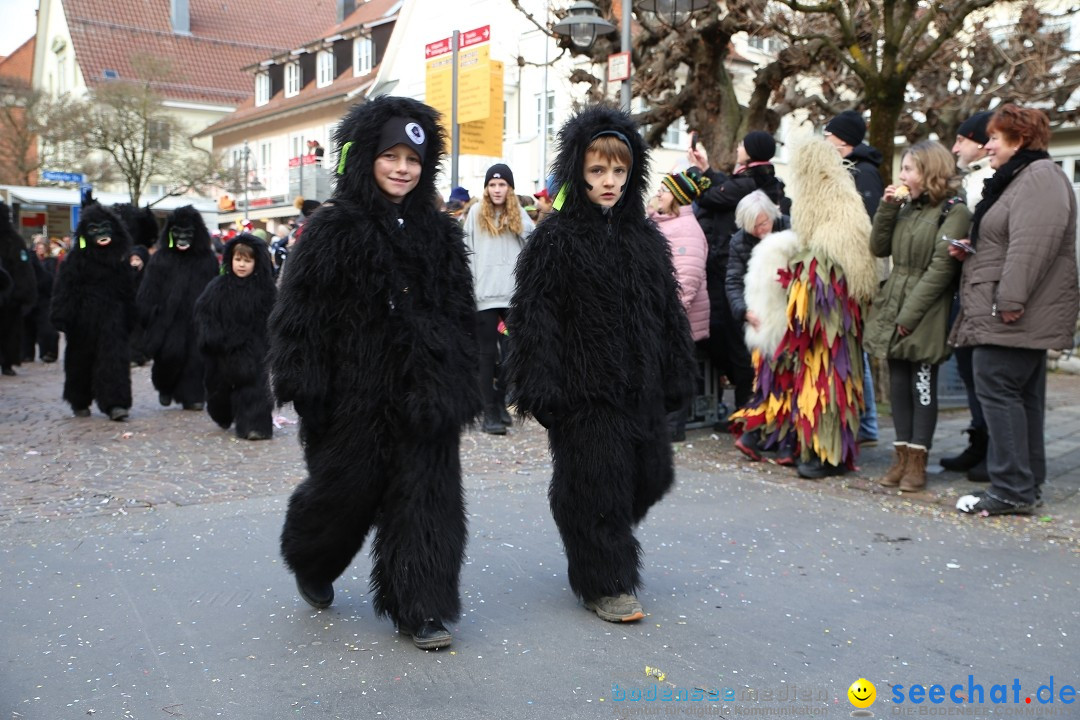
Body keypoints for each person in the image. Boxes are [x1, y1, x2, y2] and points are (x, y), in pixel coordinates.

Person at [269, 96, 480, 650]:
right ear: (364, 157)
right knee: (346, 494)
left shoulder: (440, 232)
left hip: (425, 392)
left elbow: (461, 311)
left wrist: (462, 378)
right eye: (390, 156)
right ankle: (313, 558)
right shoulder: (330, 229)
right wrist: (305, 386)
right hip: (352, 395)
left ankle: (422, 607)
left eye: (413, 158)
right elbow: (299, 313)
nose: (402, 168)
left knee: (427, 499)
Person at [506, 105, 698, 623]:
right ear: (578, 172)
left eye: (618, 170)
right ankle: (605, 581)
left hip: (639, 384)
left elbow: (667, 309)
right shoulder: (555, 239)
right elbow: (534, 316)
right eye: (597, 171)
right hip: (582, 389)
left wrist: (679, 369)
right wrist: (539, 386)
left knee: (647, 477)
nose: (609, 181)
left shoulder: (646, 237)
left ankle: (588, 532)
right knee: (598, 483)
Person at [950, 104, 1078, 516]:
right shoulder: (1023, 178)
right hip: (1007, 307)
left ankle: (1010, 488)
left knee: (999, 389)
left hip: (1012, 311)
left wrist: (1010, 300)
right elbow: (1010, 240)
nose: (987, 146)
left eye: (994, 139)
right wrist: (970, 248)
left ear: (1019, 140)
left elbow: (1031, 247)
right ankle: (1023, 484)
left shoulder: (1039, 179)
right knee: (1019, 396)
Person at [733, 139, 878, 479]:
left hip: (830, 320)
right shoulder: (825, 211)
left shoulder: (837, 216)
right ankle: (815, 449)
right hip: (816, 320)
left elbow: (837, 271)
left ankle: (827, 454)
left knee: (829, 381)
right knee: (818, 382)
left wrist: (803, 284)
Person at [864, 141, 970, 492]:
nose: (902, 175)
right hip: (895, 298)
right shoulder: (907, 207)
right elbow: (879, 247)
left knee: (921, 384)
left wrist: (908, 316)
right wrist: (887, 207)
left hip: (927, 308)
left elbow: (941, 270)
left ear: (930, 171)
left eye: (909, 168)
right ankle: (900, 458)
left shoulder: (954, 211)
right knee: (898, 383)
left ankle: (917, 463)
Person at [688, 131, 788, 416]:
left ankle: (748, 409)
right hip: (735, 270)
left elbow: (710, 198)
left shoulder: (750, 182)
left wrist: (697, 172)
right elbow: (724, 190)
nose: (737, 147)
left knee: (733, 341)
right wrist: (707, 169)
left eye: (742, 144)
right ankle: (749, 407)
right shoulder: (757, 178)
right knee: (734, 340)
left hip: (731, 270)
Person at [824, 109, 884, 447]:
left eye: (829, 136)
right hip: (842, 273)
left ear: (843, 141)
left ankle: (868, 425)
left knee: (854, 349)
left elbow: (868, 227)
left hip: (856, 275)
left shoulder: (864, 174)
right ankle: (866, 424)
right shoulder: (849, 171)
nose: (825, 142)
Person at [462, 162, 534, 435]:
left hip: (513, 297)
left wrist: (521, 228)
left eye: (502, 184)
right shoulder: (477, 212)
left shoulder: (519, 215)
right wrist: (468, 288)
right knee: (486, 354)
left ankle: (502, 401)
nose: (496, 189)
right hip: (484, 297)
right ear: (486, 188)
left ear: (510, 187)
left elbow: (533, 245)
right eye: (492, 185)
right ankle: (489, 411)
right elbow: (467, 250)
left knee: (513, 353)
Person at [942, 110, 995, 478]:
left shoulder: (990, 182)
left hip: (983, 290)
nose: (955, 146)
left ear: (980, 143)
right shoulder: (971, 181)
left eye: (961, 140)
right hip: (966, 285)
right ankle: (979, 444)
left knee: (984, 373)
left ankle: (992, 449)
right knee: (969, 369)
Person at [50, 203, 136, 420]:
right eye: (94, 229)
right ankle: (79, 399)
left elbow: (128, 291)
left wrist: (131, 317)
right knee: (80, 360)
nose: (101, 233)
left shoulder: (120, 259)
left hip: (113, 317)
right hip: (82, 318)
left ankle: (115, 403)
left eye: (104, 227)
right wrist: (61, 314)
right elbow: (64, 287)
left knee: (114, 360)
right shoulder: (76, 260)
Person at [724, 191, 793, 462]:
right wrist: (744, 312)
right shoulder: (741, 241)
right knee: (766, 381)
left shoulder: (787, 227)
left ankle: (785, 441)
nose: (759, 230)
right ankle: (761, 436)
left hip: (790, 318)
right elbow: (732, 280)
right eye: (753, 226)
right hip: (762, 321)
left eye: (763, 223)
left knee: (789, 382)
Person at [194, 234, 277, 441]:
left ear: (256, 263)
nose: (242, 265)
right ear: (230, 259)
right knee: (219, 390)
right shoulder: (218, 286)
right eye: (238, 259)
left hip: (254, 349)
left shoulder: (266, 290)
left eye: (247, 261)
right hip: (222, 349)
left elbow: (275, 317)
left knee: (255, 388)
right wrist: (212, 338)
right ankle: (224, 414)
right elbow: (204, 314)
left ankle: (256, 426)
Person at [649, 167, 711, 442]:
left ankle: (673, 427)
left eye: (663, 191)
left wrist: (668, 316)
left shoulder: (687, 230)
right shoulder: (663, 223)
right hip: (661, 314)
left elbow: (687, 280)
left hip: (676, 318)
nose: (657, 195)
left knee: (674, 372)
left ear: (675, 197)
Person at [138, 206, 220, 411]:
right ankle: (165, 387)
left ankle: (193, 396)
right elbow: (149, 289)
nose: (182, 238)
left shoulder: (207, 259)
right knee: (168, 356)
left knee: (196, 359)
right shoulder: (161, 258)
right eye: (178, 233)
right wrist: (147, 313)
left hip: (196, 318)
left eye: (188, 233)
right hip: (167, 318)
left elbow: (214, 288)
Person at [0, 201, 37, 376]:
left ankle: (7, 361)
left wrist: (23, 294)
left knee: (9, 331)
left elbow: (23, 268)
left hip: (9, 297)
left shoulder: (14, 241)